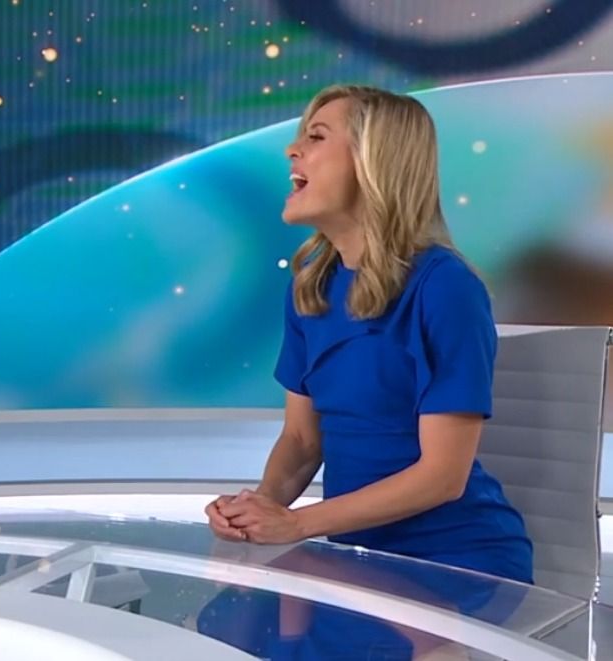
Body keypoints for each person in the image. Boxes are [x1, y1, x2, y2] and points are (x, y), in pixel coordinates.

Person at [199, 84, 534, 659]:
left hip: (458, 564)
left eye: (316, 137)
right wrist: (258, 509)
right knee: (220, 629)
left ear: (373, 162)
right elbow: (302, 441)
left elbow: (442, 477)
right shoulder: (310, 288)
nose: (292, 150)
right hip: (354, 559)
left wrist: (297, 525)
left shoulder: (445, 287)